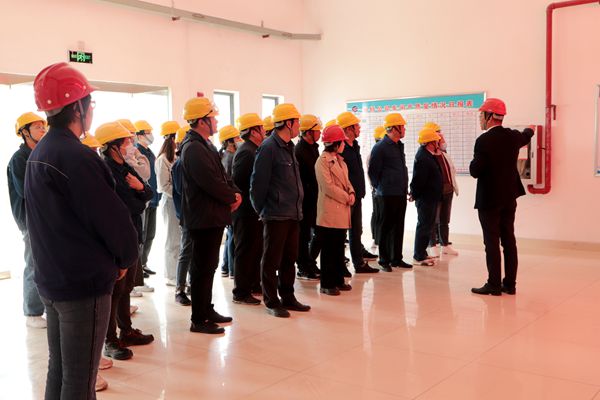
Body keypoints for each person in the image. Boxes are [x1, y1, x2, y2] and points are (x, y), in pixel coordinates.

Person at [26, 62, 139, 399]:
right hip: (82, 286)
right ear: (77, 106)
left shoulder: (41, 152)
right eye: (89, 102)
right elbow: (111, 218)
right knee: (79, 381)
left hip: (53, 279)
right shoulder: (76, 156)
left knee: (60, 370)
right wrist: (125, 258)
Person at [180, 97, 241, 334]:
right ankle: (199, 318)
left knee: (209, 267)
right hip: (203, 218)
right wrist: (230, 197)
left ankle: (206, 309)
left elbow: (223, 176)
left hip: (211, 216)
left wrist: (234, 193)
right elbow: (210, 182)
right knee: (202, 268)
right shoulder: (193, 148)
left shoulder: (205, 145)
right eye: (212, 118)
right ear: (202, 121)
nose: (216, 121)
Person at [96, 121, 155, 360]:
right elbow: (131, 205)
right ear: (113, 146)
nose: (131, 145)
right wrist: (140, 194)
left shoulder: (125, 167)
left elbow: (149, 192)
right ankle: (110, 340)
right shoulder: (107, 170)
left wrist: (140, 188)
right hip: (118, 237)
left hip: (132, 233)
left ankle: (126, 330)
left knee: (127, 287)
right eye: (126, 142)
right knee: (115, 289)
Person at [250, 103, 311, 318]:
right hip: (275, 214)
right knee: (271, 259)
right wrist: (262, 210)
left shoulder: (289, 146)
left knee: (289, 258)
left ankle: (288, 296)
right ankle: (271, 300)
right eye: (297, 122)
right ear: (288, 123)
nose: (299, 126)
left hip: (292, 212)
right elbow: (257, 184)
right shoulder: (268, 148)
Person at [470, 98, 534, 296]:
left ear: (489, 116)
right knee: (508, 240)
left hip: (489, 199)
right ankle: (510, 284)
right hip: (509, 197)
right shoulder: (513, 136)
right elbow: (526, 136)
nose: (480, 119)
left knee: (491, 242)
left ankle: (494, 284)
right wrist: (530, 130)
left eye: (481, 115)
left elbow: (475, 170)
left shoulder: (483, 141)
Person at [8, 112, 47, 329]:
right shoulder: (19, 159)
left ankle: (46, 306)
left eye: (43, 126)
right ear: (24, 132)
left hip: (46, 217)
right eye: (37, 127)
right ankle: (32, 312)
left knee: (48, 263)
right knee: (34, 264)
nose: (43, 130)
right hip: (30, 218)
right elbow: (26, 190)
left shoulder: (43, 154)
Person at [314, 124, 355, 296]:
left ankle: (338, 280)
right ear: (335, 143)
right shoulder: (322, 162)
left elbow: (347, 181)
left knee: (338, 248)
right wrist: (346, 197)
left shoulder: (340, 160)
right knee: (329, 249)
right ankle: (327, 283)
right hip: (330, 211)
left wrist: (351, 192)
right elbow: (328, 187)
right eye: (342, 142)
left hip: (341, 210)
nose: (344, 144)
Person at [337, 112, 379, 274]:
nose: (359, 128)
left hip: (357, 195)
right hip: (347, 197)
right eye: (356, 125)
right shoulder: (341, 148)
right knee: (342, 233)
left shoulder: (354, 146)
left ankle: (359, 263)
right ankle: (340, 265)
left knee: (356, 231)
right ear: (348, 129)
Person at [368, 114, 412, 271]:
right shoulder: (380, 147)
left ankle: (396, 259)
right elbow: (373, 172)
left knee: (398, 227)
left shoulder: (398, 145)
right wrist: (380, 187)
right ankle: (384, 260)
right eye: (402, 126)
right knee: (386, 227)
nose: (404, 129)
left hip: (400, 193)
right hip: (386, 194)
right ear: (394, 128)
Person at [231, 113, 266, 305]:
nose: (264, 131)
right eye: (261, 128)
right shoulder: (246, 151)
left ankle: (253, 284)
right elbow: (240, 182)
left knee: (255, 248)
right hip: (245, 210)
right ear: (253, 131)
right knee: (245, 250)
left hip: (253, 209)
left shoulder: (253, 149)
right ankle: (241, 291)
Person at [424, 122, 460, 257]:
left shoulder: (443, 154)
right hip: (435, 192)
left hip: (448, 191)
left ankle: (445, 245)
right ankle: (432, 245)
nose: (442, 138)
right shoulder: (427, 155)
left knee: (445, 220)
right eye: (439, 135)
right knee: (433, 220)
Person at [295, 114, 322, 281]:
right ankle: (303, 266)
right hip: (305, 201)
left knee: (318, 233)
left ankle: (310, 262)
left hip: (315, 198)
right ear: (308, 132)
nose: (320, 132)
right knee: (303, 236)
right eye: (317, 130)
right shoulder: (299, 150)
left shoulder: (314, 148)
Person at [410, 127, 442, 267]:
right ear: (430, 143)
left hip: (430, 197)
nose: (438, 144)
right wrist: (414, 194)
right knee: (424, 226)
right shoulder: (423, 157)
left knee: (427, 226)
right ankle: (418, 256)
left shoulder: (427, 155)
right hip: (426, 199)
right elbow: (419, 180)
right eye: (436, 141)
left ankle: (422, 253)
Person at [134, 119, 161, 283]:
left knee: (150, 234)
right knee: (142, 235)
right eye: (147, 133)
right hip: (144, 199)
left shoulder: (149, 152)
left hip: (154, 197)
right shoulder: (137, 152)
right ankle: (139, 268)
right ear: (139, 135)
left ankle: (144, 263)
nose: (150, 135)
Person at [155, 121, 181, 286]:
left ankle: (179, 273)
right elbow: (163, 185)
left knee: (180, 239)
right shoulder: (162, 159)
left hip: (178, 201)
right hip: (170, 201)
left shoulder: (176, 156)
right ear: (172, 138)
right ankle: (171, 276)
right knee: (172, 240)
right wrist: (180, 195)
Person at [172, 124, 192, 305]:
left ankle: (191, 284)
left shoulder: (185, 162)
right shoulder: (179, 164)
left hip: (193, 213)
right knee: (186, 252)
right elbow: (180, 190)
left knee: (192, 251)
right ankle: (180, 289)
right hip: (187, 214)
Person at [218, 125, 242, 278]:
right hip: (232, 200)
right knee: (233, 236)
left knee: (230, 235)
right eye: (237, 137)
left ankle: (226, 266)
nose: (240, 140)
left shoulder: (227, 156)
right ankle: (233, 269)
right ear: (230, 141)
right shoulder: (229, 157)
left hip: (230, 200)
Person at [369, 125, 386, 252]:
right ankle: (376, 239)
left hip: (380, 190)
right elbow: (373, 174)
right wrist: (376, 188)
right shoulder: (374, 153)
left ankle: (378, 239)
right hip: (377, 190)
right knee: (377, 215)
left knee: (379, 215)